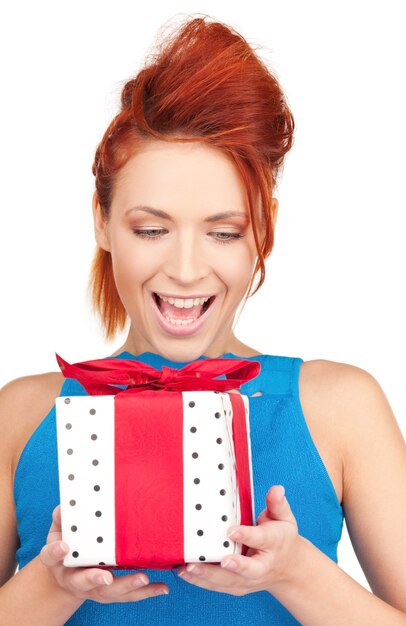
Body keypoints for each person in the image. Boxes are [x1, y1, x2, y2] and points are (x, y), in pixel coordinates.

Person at [0, 14, 405, 626]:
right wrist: (55, 585)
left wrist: (297, 573)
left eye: (223, 232)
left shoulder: (340, 407)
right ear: (102, 222)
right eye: (152, 229)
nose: (186, 270)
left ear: (262, 231)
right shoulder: (23, 415)